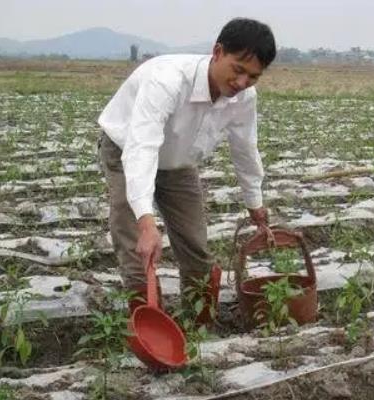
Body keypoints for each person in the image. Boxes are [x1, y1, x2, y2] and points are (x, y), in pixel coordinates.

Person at [97, 18, 276, 324]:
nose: (242, 83)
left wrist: (254, 204)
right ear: (217, 52)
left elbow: (245, 147)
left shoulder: (243, 97)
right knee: (136, 246)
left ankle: (200, 324)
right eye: (238, 70)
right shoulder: (166, 80)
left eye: (253, 77)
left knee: (195, 244)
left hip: (179, 163)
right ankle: (146, 325)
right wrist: (146, 222)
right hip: (127, 151)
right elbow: (142, 148)